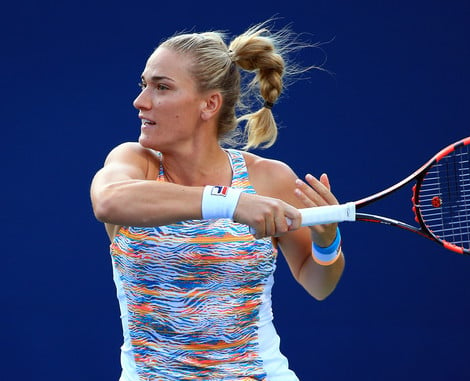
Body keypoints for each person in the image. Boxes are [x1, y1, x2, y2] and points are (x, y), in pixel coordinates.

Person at [90, 21, 345, 381]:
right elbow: (108, 201)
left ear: (209, 104)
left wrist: (326, 241)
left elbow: (319, 284)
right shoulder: (134, 163)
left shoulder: (269, 179)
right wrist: (231, 202)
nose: (140, 101)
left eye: (161, 87)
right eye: (143, 85)